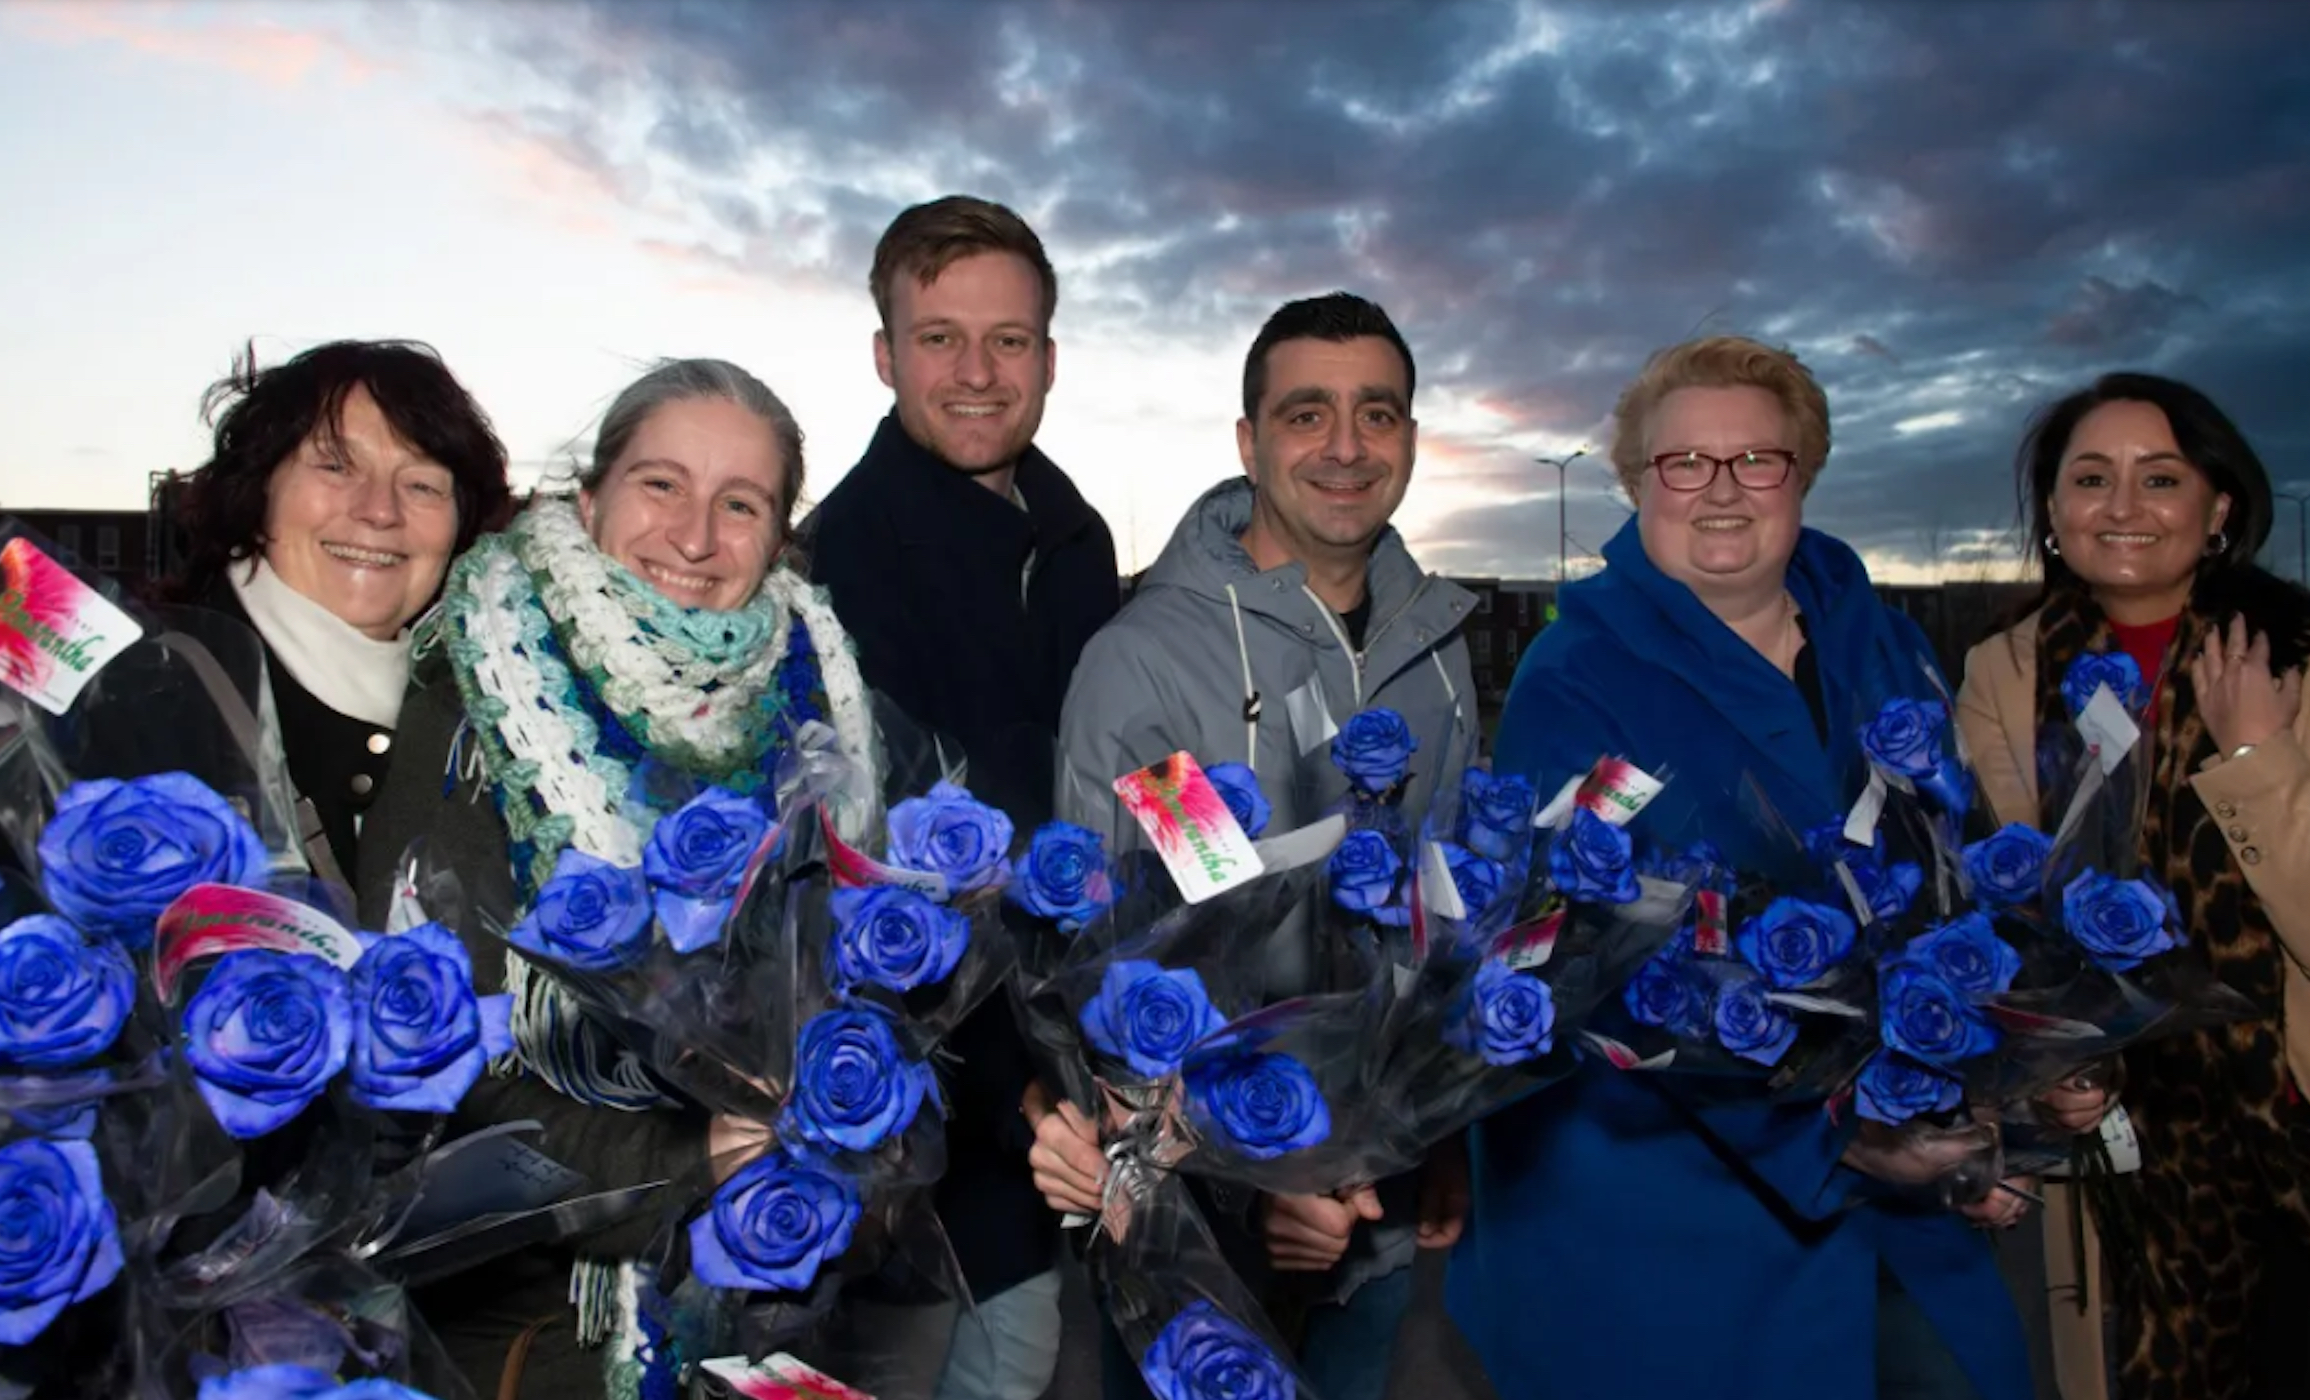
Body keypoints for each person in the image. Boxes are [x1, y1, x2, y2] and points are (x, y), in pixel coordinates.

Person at [1448, 335, 2041, 1400]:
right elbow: (1582, 967)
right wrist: (1840, 1137)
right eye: (1684, 463)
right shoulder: (1572, 673)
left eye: (1756, 460)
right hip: (1660, 1217)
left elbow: (1947, 881)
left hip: (1893, 1197)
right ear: (1637, 484)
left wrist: (1990, 1079)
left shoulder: (1886, 642)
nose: (1720, 490)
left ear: (1801, 473)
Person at [355, 359, 879, 1398]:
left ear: (778, 535)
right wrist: (688, 1156)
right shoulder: (481, 696)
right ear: (590, 499)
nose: (694, 536)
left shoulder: (820, 707)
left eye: (740, 502)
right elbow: (427, 1049)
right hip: (538, 1321)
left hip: (772, 1280)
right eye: (660, 484)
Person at [1043, 292, 1476, 1400]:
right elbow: (1121, 983)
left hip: (1377, 1202)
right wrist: (1263, 1172)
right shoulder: (1147, 665)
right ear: (1248, 440)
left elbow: (1447, 914)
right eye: (1306, 414)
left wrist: (1446, 1119)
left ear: (1412, 441)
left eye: (1377, 415)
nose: (1345, 447)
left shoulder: (1438, 654)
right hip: (1200, 1230)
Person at [798, 195, 1119, 1400]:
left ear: (1048, 354)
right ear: (885, 356)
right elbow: (883, 896)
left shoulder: (1073, 535)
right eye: (940, 338)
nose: (978, 372)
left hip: (1071, 1080)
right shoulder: (852, 563)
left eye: (1010, 339)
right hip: (940, 1118)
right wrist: (1015, 1096)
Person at [1956, 372, 2310, 1400]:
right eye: (2091, 477)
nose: (2122, 507)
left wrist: (2254, 751)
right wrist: (2042, 1060)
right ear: (2054, 514)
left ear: (2220, 508)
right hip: (2129, 1137)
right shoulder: (2005, 671)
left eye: (2160, 477)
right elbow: (2009, 907)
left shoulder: (2291, 658)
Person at [166, 339, 512, 883]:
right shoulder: (137, 695)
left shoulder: (488, 732)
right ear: (258, 493)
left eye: (421, 484)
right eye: (335, 466)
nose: (379, 510)